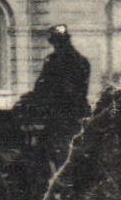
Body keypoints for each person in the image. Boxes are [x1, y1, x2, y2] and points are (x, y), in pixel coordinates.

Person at [19, 24, 92, 161]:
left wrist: (35, 97)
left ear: (58, 42)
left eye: (56, 42)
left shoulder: (54, 61)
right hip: (78, 110)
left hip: (58, 113)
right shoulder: (83, 61)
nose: (55, 45)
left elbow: (46, 86)